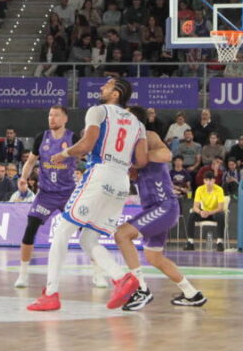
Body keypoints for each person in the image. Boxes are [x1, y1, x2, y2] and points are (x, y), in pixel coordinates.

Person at [28, 78, 146, 312]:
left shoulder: (98, 110)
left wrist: (65, 153)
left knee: (62, 232)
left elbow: (85, 144)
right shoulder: (137, 123)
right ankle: (121, 278)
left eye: (107, 85)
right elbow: (141, 161)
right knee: (88, 239)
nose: (102, 87)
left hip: (100, 175)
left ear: (115, 94)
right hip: (121, 181)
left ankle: (51, 293)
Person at [109, 107, 206, 311]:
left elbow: (166, 155)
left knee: (122, 235)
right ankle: (192, 293)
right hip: (153, 207)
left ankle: (141, 290)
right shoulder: (128, 144)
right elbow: (134, 175)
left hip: (164, 205)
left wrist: (141, 157)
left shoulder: (148, 135)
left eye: (125, 115)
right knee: (154, 257)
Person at [13, 106, 78, 288]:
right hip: (46, 193)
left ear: (65, 119)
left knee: (84, 230)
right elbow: (31, 161)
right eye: (50, 115)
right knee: (30, 227)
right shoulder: (42, 137)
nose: (52, 118)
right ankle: (23, 274)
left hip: (68, 193)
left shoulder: (73, 138)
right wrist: (23, 178)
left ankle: (98, 274)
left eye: (56, 115)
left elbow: (86, 156)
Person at [185, 171, 226, 251]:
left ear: (214, 181)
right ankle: (190, 242)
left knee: (221, 214)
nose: (208, 182)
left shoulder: (219, 189)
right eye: (207, 180)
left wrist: (209, 212)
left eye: (210, 180)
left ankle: (219, 242)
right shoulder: (199, 189)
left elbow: (220, 207)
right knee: (192, 215)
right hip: (203, 213)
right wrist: (200, 212)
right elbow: (195, 207)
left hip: (214, 213)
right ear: (204, 181)